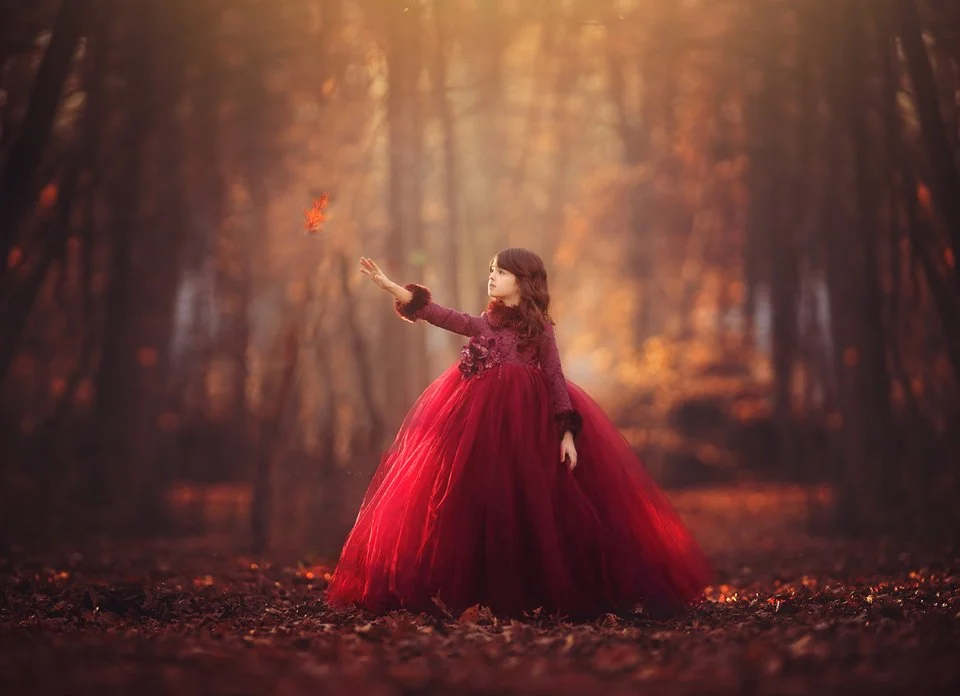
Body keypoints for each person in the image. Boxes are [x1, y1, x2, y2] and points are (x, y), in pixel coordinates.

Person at [326, 248, 711, 620]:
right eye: (491, 268)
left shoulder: (539, 330)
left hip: (530, 423)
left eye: (502, 271)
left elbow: (556, 378)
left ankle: (537, 589)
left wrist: (566, 433)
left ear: (523, 281)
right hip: (478, 422)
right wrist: (395, 289)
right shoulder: (485, 322)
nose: (492, 275)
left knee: (530, 499)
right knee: (475, 495)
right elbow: (442, 315)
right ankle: (471, 589)